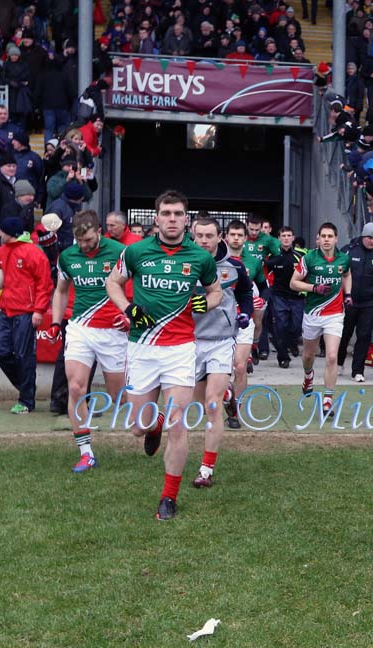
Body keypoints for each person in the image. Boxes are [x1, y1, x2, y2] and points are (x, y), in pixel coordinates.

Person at [105, 190, 222, 521]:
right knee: (137, 428)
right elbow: (113, 283)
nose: (172, 218)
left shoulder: (200, 258)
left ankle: (168, 498)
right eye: (166, 213)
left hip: (181, 349)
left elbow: (215, 291)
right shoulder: (136, 252)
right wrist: (128, 308)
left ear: (186, 218)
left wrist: (206, 302)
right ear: (156, 218)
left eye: (178, 213)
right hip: (142, 348)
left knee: (178, 423)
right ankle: (151, 425)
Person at [49, 211, 127, 472]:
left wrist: (130, 314)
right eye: (80, 241)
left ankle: (154, 421)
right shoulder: (69, 256)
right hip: (80, 328)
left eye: (89, 240)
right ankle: (86, 452)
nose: (84, 245)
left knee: (120, 398)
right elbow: (60, 291)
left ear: (100, 232)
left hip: (113, 331)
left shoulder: (120, 251)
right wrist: (56, 323)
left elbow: (140, 285)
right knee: (75, 388)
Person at [189, 217, 253, 488]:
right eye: (199, 235)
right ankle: (229, 393)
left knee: (212, 405)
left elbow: (246, 294)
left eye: (209, 235)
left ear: (219, 237)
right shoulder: (184, 262)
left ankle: (206, 470)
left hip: (220, 340)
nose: (204, 240)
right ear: (192, 237)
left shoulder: (235, 266)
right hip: (188, 340)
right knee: (198, 400)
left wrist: (245, 314)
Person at [0, 217, 52, 413]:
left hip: (26, 312)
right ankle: (26, 387)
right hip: (6, 311)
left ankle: (26, 401)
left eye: (2, 231)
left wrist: (38, 310)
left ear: (11, 234)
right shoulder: (2, 251)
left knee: (25, 356)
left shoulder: (33, 253)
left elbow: (45, 284)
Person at [290, 222, 352, 413]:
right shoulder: (309, 258)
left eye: (330, 236)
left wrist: (348, 294)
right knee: (309, 355)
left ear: (336, 239)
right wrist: (313, 288)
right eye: (323, 236)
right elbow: (293, 283)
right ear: (318, 239)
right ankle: (308, 376)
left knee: (332, 356)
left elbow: (347, 275)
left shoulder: (344, 259)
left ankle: (327, 399)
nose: (326, 240)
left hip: (334, 314)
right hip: (313, 313)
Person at [337, 222, 373, 382]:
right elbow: (337, 273)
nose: (372, 241)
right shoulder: (348, 250)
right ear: (363, 236)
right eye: (369, 237)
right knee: (344, 333)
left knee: (364, 335)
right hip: (348, 300)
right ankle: (339, 362)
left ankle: (358, 371)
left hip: (370, 302)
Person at [222, 221, 256, 429]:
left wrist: (259, 302)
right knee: (223, 372)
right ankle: (228, 401)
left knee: (240, 367)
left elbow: (259, 287)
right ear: (226, 237)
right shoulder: (216, 260)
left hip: (243, 320)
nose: (236, 238)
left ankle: (237, 411)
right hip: (220, 322)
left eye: (239, 235)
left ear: (245, 238)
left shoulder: (252, 262)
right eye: (232, 234)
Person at [265, 225, 305, 369]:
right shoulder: (273, 257)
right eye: (283, 236)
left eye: (289, 235)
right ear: (279, 238)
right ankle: (283, 357)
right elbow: (263, 274)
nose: (286, 238)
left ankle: (292, 343)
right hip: (279, 296)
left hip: (297, 297)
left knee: (297, 326)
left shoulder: (301, 256)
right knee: (280, 327)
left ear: (293, 238)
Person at [243, 215, 280, 362]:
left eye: (257, 230)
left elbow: (280, 256)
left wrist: (267, 263)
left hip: (259, 282)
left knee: (258, 322)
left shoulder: (268, 240)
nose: (253, 232)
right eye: (251, 229)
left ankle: (255, 344)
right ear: (246, 226)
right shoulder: (239, 238)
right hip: (240, 283)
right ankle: (245, 354)